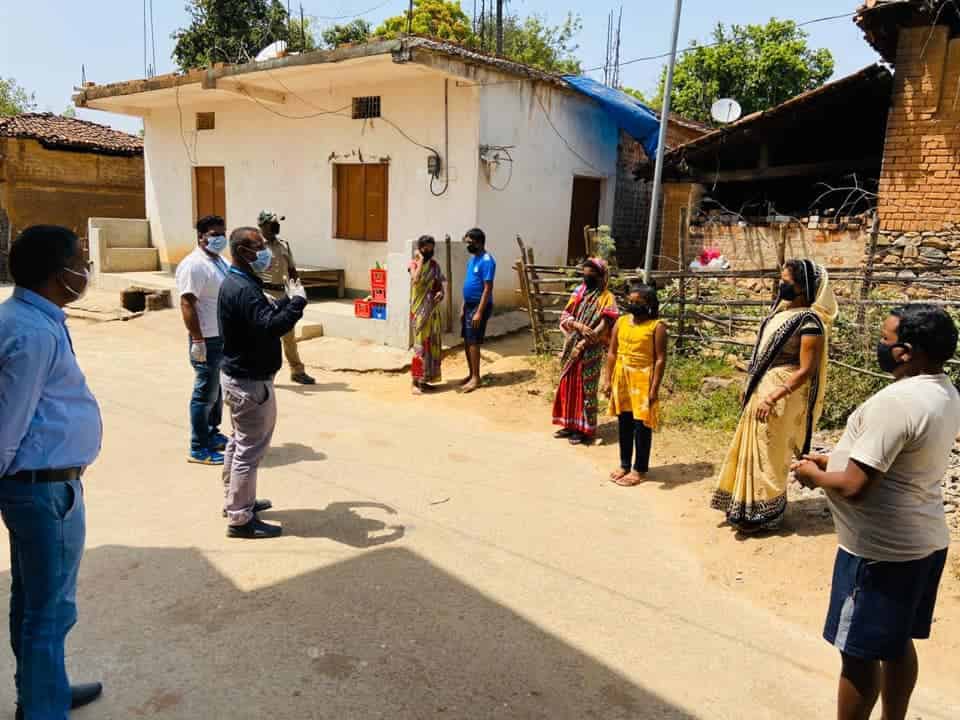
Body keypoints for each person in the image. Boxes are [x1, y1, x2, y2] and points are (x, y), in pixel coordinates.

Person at [793, 305, 960, 720]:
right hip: (924, 541)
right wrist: (835, 458)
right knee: (897, 640)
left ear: (905, 351)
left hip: (878, 555)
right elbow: (891, 459)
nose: (879, 346)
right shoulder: (944, 391)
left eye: (885, 340)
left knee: (859, 654)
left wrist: (813, 475)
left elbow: (855, 486)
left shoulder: (897, 402)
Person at [0, 226, 103, 719]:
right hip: (43, 491)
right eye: (80, 259)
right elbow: (9, 421)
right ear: (57, 273)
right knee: (50, 611)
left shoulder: (28, 316)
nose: (85, 268)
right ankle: (43, 708)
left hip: (40, 488)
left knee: (32, 600)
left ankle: (45, 691)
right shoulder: (33, 332)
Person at [712, 259, 837, 532]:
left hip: (782, 393)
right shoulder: (779, 314)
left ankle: (765, 512)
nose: (781, 285)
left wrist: (773, 397)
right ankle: (745, 507)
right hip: (764, 388)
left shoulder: (810, 321)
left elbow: (805, 370)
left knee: (770, 451)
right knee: (752, 446)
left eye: (786, 282)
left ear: (802, 287)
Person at [219, 227, 307, 539]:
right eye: (259, 247)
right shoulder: (242, 288)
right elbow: (270, 328)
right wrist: (297, 304)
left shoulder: (241, 281)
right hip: (249, 382)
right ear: (243, 251)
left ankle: (235, 501)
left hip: (241, 377)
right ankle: (240, 519)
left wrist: (286, 302)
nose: (265, 253)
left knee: (238, 441)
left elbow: (260, 320)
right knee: (248, 450)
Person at [176, 215, 230, 465]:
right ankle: (198, 447)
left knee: (216, 390)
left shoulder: (219, 261)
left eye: (222, 233)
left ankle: (212, 433)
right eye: (214, 234)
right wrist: (197, 340)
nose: (220, 238)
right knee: (204, 393)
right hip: (206, 338)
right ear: (201, 236)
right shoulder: (194, 265)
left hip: (221, 336)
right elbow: (187, 302)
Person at [601, 283, 667, 485]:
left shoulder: (657, 327)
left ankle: (639, 469)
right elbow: (612, 352)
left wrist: (654, 388)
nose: (632, 305)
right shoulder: (621, 322)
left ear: (649, 304)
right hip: (621, 377)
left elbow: (660, 359)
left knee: (641, 426)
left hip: (642, 379)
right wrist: (607, 379)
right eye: (630, 301)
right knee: (624, 423)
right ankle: (624, 464)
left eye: (638, 302)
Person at [551, 258, 619, 444]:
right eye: (585, 272)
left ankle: (583, 429)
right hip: (572, 343)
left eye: (592, 273)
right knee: (568, 383)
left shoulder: (607, 298)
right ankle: (569, 424)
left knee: (585, 387)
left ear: (601, 276)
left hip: (591, 349)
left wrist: (585, 343)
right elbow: (566, 315)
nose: (587, 276)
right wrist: (578, 325)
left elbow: (605, 324)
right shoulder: (578, 292)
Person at [257, 210, 315, 385]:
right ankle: (263, 371)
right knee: (265, 337)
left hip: (282, 294)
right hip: (263, 295)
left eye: (277, 222)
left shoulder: (284, 244)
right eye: (273, 223)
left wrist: (298, 289)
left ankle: (297, 371)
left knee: (289, 335)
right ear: (263, 225)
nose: (277, 225)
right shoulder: (256, 245)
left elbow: (291, 269)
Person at [459, 228, 495, 394]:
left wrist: (479, 312)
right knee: (467, 340)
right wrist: (463, 306)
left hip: (479, 306)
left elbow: (487, 288)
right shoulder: (473, 259)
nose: (468, 246)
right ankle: (471, 373)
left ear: (479, 242)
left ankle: (476, 379)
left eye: (470, 243)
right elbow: (468, 283)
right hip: (468, 305)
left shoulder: (487, 261)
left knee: (474, 340)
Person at [409, 235, 446, 394]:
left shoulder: (435, 266)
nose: (430, 251)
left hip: (433, 310)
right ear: (420, 248)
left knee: (432, 346)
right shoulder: (413, 264)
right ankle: (415, 382)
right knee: (419, 347)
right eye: (426, 248)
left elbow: (439, 285)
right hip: (419, 311)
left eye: (432, 248)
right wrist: (421, 260)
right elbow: (415, 280)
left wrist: (441, 293)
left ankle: (427, 379)